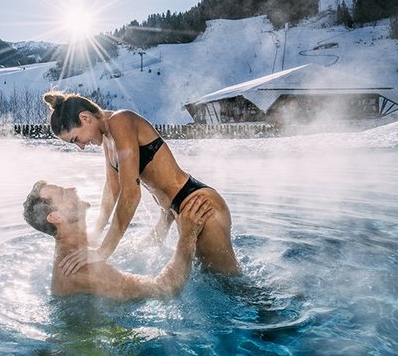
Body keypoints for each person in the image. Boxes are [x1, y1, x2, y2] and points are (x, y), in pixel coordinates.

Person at [42, 91, 240, 276]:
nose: (81, 146)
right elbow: (112, 189)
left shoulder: (120, 121)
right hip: (177, 210)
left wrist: (103, 251)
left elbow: (130, 194)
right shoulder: (108, 139)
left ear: (85, 118)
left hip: (199, 205)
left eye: (76, 139)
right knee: (210, 278)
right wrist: (95, 233)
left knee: (232, 285)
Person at [22, 180, 213, 301]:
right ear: (56, 217)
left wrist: (166, 218)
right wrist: (188, 236)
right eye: (64, 193)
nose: (73, 188)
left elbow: (133, 251)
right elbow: (164, 289)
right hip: (94, 349)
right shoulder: (80, 268)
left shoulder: (82, 248)